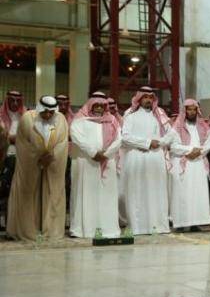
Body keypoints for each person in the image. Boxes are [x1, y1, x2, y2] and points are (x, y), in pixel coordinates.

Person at [7, 96, 68, 242]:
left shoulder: (61, 120)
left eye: (51, 112)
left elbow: (63, 142)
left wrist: (52, 156)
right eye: (45, 112)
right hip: (30, 165)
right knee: (28, 194)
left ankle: (50, 230)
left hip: (52, 164)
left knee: (52, 193)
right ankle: (28, 230)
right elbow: (23, 143)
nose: (47, 115)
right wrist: (37, 158)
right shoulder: (27, 119)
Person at [69, 94, 121, 239]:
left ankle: (108, 229)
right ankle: (84, 229)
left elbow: (118, 139)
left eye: (101, 106)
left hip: (107, 162)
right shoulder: (80, 120)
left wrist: (106, 154)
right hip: (87, 162)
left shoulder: (112, 120)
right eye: (96, 105)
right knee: (86, 195)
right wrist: (92, 152)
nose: (99, 108)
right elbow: (76, 137)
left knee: (106, 197)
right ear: (90, 105)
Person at [121, 86, 170, 235]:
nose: (148, 100)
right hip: (137, 158)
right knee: (137, 192)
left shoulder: (158, 118)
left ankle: (157, 225)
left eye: (150, 97)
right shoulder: (130, 117)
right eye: (145, 97)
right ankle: (137, 227)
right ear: (139, 99)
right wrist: (147, 143)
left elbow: (167, 136)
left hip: (155, 159)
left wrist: (158, 143)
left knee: (156, 192)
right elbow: (125, 137)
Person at [164, 99, 210, 231]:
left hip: (199, 164)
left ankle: (196, 222)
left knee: (197, 193)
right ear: (185, 111)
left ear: (197, 111)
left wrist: (198, 152)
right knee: (182, 194)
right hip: (183, 164)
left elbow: (209, 144)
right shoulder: (177, 127)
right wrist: (190, 151)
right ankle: (181, 223)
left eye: (194, 109)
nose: (192, 112)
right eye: (189, 110)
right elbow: (173, 146)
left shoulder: (204, 127)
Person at [0, 90, 25, 228]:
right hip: (3, 157)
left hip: (22, 159)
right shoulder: (0, 114)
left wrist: (13, 138)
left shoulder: (26, 115)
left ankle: (14, 223)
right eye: (12, 100)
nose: (15, 103)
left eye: (17, 101)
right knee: (3, 190)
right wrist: (9, 138)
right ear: (7, 101)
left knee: (17, 191)